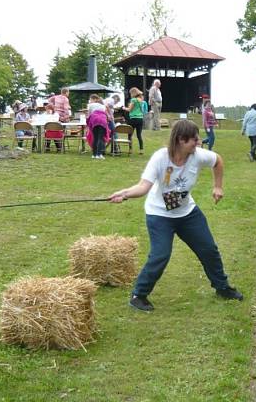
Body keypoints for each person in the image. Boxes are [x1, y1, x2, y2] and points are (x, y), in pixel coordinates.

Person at [108, 119, 243, 312]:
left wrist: (218, 186)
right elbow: (143, 186)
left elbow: (218, 160)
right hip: (159, 214)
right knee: (160, 255)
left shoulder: (197, 155)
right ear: (180, 140)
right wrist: (124, 194)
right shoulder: (160, 158)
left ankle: (222, 287)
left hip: (187, 213)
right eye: (193, 140)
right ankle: (139, 295)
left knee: (208, 249)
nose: (198, 142)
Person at [86, 95, 110, 159]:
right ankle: (99, 154)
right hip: (102, 121)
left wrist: (88, 124)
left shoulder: (90, 105)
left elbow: (88, 115)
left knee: (95, 138)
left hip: (94, 121)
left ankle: (94, 154)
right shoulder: (103, 106)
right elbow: (107, 115)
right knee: (100, 138)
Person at [124, 87, 145, 154]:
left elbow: (130, 109)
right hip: (140, 119)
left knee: (130, 135)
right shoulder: (141, 100)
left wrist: (124, 108)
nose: (130, 94)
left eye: (130, 93)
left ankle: (130, 150)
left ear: (133, 93)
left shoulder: (133, 100)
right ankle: (141, 150)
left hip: (133, 119)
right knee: (139, 135)